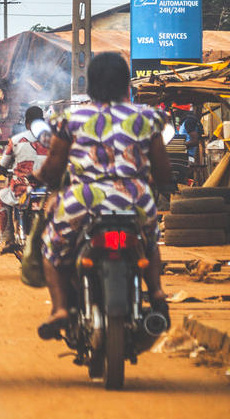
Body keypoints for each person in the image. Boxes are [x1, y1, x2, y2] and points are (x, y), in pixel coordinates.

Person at [33, 52, 171, 339]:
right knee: (149, 242)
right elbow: (163, 171)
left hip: (83, 199)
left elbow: (54, 167)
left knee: (51, 248)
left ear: (90, 84)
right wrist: (159, 184)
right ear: (126, 83)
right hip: (136, 199)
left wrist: (42, 177)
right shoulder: (147, 117)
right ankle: (156, 292)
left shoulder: (71, 118)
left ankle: (60, 309)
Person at [0, 105, 49, 251]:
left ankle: (8, 237)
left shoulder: (15, 140)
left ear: (27, 123)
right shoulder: (53, 140)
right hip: (48, 187)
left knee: (2, 197)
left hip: (22, 187)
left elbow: (3, 165)